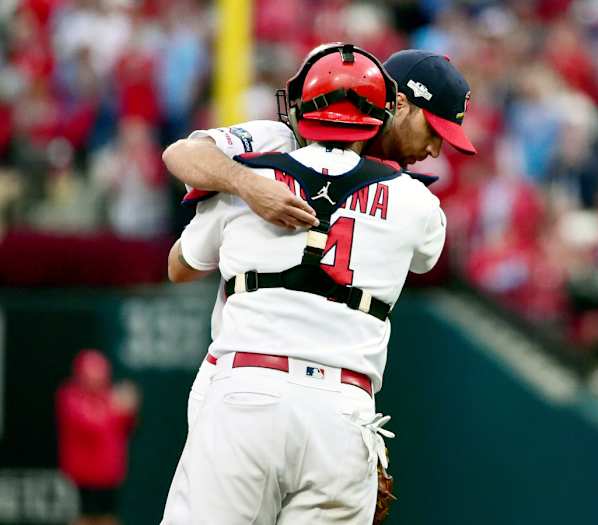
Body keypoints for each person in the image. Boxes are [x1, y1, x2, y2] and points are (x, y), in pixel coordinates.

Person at [160, 43, 446, 524]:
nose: (434, 146)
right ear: (385, 111)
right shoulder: (416, 202)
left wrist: (247, 191)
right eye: (433, 131)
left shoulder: (256, 167)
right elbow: (425, 256)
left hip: (245, 384)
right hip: (343, 410)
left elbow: (180, 266)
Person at [56, 349, 140, 525]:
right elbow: (91, 425)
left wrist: (127, 407)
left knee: (107, 518)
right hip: (82, 477)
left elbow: (128, 424)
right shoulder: (70, 396)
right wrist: (116, 408)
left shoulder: (109, 397)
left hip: (109, 476)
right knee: (84, 518)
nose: (96, 378)